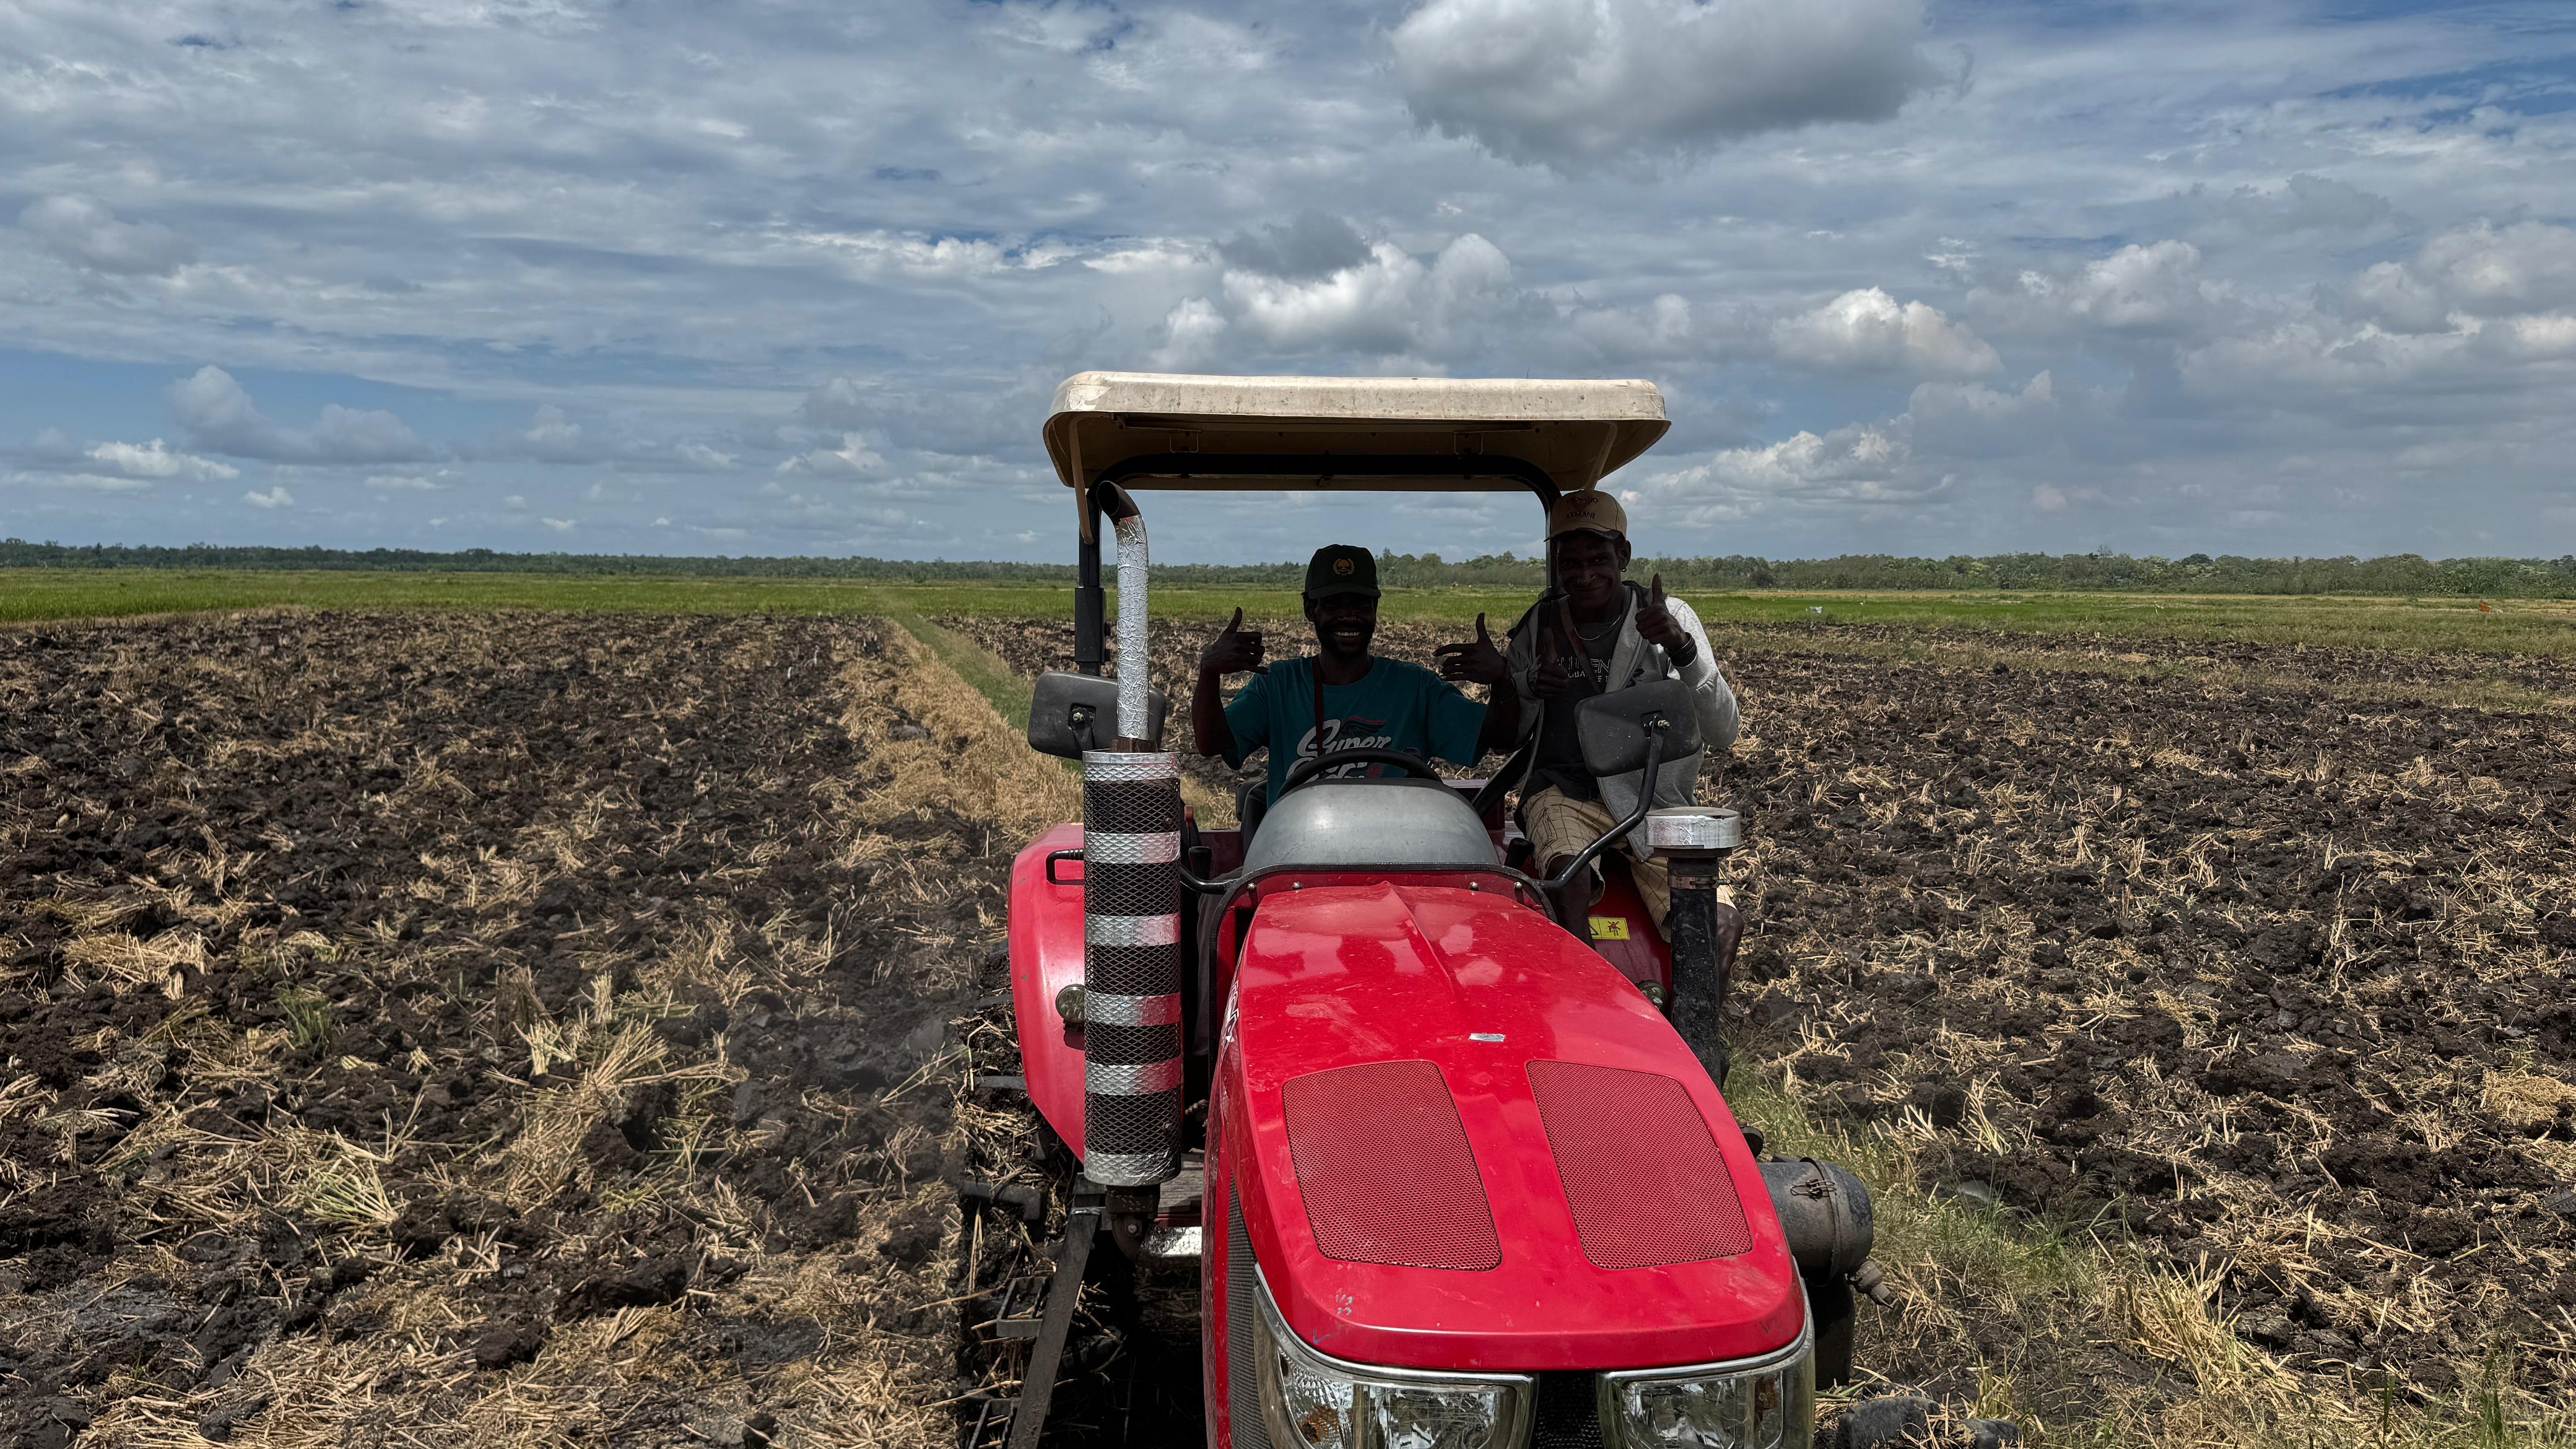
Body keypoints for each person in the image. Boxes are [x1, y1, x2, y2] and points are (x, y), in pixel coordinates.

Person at [1437, 490, 1737, 930]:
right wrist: (1515, 681)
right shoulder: (1540, 624)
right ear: (1557, 565)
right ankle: (1585, 995)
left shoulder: (1668, 618)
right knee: (1566, 880)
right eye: (1570, 563)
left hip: (1653, 801)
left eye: (1598, 560)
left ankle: (1691, 1003)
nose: (1584, 575)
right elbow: (1512, 738)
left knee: (1719, 928)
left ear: (1624, 556)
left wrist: (1681, 648)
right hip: (1564, 793)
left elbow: (1724, 730)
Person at [1193, 546, 1510, 808]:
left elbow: (1499, 737)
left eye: (1360, 603)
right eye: (1333, 604)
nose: (1349, 616)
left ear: (1375, 607)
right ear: (1310, 609)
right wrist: (1209, 672)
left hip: (1398, 848)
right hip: (1301, 849)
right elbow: (1212, 744)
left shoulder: (1415, 688)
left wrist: (1502, 680)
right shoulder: (1277, 685)